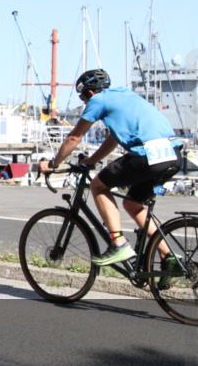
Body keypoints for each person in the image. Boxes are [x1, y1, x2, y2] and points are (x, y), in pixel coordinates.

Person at [38, 69, 184, 270]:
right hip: (173, 154)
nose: (84, 103)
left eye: (82, 98)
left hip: (147, 155)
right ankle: (169, 257)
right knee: (133, 205)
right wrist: (91, 160)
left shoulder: (98, 101)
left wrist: (53, 165)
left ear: (89, 93)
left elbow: (74, 138)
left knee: (98, 186)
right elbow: (114, 138)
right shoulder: (125, 94)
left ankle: (119, 243)